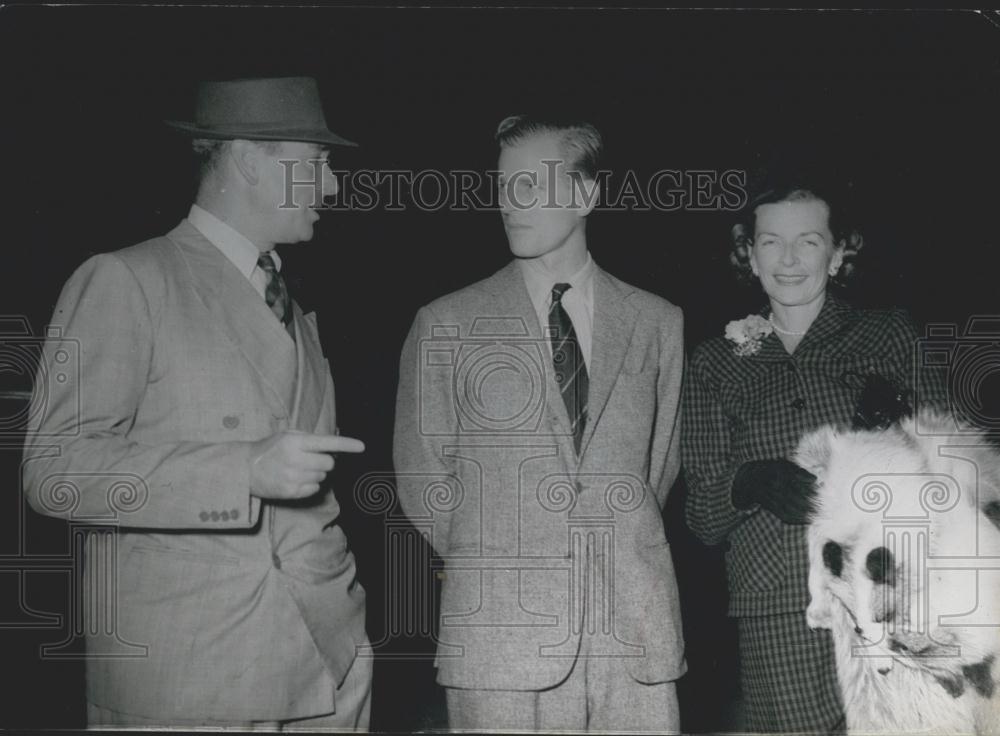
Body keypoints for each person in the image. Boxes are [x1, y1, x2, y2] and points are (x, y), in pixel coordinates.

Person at [21, 76, 372, 729]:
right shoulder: (128, 280)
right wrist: (239, 470)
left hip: (327, 660)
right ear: (246, 160)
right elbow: (55, 471)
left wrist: (353, 640)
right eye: (317, 164)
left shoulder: (297, 306)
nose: (330, 187)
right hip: (194, 679)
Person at [393, 115, 686, 731]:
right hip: (500, 633)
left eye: (532, 184)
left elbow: (657, 471)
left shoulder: (657, 322)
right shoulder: (446, 322)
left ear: (585, 195)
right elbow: (425, 483)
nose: (510, 203)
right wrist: (499, 554)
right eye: (503, 185)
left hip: (631, 629)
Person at [682, 180, 949, 732]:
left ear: (838, 253)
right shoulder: (714, 362)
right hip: (778, 611)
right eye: (770, 242)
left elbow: (955, 471)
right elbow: (702, 517)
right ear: (748, 254)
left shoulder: (886, 334)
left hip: (898, 598)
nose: (788, 259)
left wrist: (897, 439)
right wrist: (749, 481)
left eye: (808, 241)